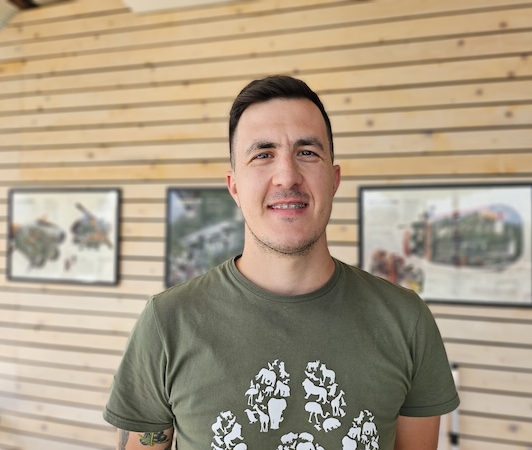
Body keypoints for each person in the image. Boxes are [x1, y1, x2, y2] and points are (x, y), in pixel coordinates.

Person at [103, 75, 460, 450]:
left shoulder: (406, 321)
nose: (287, 176)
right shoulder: (167, 323)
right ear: (234, 185)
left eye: (307, 152)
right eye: (263, 155)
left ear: (334, 179)